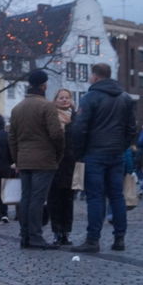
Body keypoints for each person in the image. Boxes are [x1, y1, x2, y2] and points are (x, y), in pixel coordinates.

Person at [70, 62, 136, 252]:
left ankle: (93, 239)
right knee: (117, 196)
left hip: (95, 153)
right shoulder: (125, 98)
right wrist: (121, 146)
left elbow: (79, 127)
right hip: (117, 153)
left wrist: (80, 152)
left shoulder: (90, 97)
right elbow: (132, 129)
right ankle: (119, 238)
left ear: (95, 77)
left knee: (95, 197)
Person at [8, 69, 64, 250]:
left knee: (25, 198)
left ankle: (25, 235)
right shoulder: (47, 107)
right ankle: (35, 236)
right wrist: (58, 154)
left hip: (24, 159)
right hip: (44, 160)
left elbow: (12, 138)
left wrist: (17, 158)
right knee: (37, 200)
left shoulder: (17, 108)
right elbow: (56, 134)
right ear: (44, 85)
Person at [46, 88, 78, 245]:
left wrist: (74, 118)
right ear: (55, 100)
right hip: (54, 162)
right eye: (61, 98)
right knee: (54, 199)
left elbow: (79, 135)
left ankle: (66, 232)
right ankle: (56, 231)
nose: (65, 100)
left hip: (71, 163)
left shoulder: (76, 118)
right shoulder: (51, 116)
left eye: (67, 97)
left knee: (68, 199)